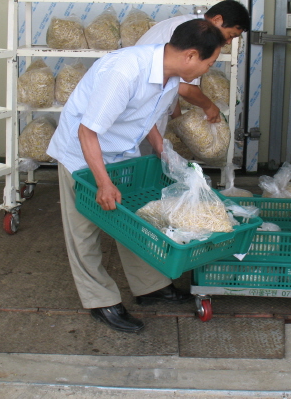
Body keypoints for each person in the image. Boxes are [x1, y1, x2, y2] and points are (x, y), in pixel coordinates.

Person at [47, 19, 225, 333]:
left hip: (121, 153)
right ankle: (100, 300)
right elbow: (87, 131)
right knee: (84, 229)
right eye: (208, 64)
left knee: (134, 221)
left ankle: (150, 286)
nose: (207, 71)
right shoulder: (126, 72)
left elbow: (145, 118)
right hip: (83, 155)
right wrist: (103, 182)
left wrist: (163, 152)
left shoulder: (169, 75)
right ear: (191, 56)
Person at [136, 0, 250, 127]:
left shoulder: (187, 25)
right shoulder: (196, 34)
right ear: (217, 19)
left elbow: (173, 85)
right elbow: (185, 88)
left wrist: (177, 121)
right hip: (140, 111)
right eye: (230, 35)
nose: (229, 42)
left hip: (147, 111)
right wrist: (209, 107)